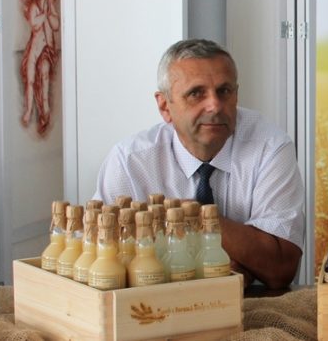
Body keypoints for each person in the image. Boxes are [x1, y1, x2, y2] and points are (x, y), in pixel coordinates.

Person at [95, 39, 304, 289]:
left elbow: (281, 267)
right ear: (164, 106)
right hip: (152, 304)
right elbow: (105, 265)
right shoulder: (130, 162)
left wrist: (193, 215)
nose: (214, 105)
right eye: (196, 93)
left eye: (224, 91)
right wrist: (231, 257)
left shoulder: (270, 147)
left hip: (254, 303)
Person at [19, 0, 61, 135]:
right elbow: (34, 23)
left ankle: (45, 108)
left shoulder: (50, 3)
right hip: (34, 48)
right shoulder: (34, 5)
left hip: (47, 50)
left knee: (44, 73)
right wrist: (43, 15)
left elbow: (56, 25)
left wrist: (50, 15)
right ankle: (28, 110)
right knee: (30, 77)